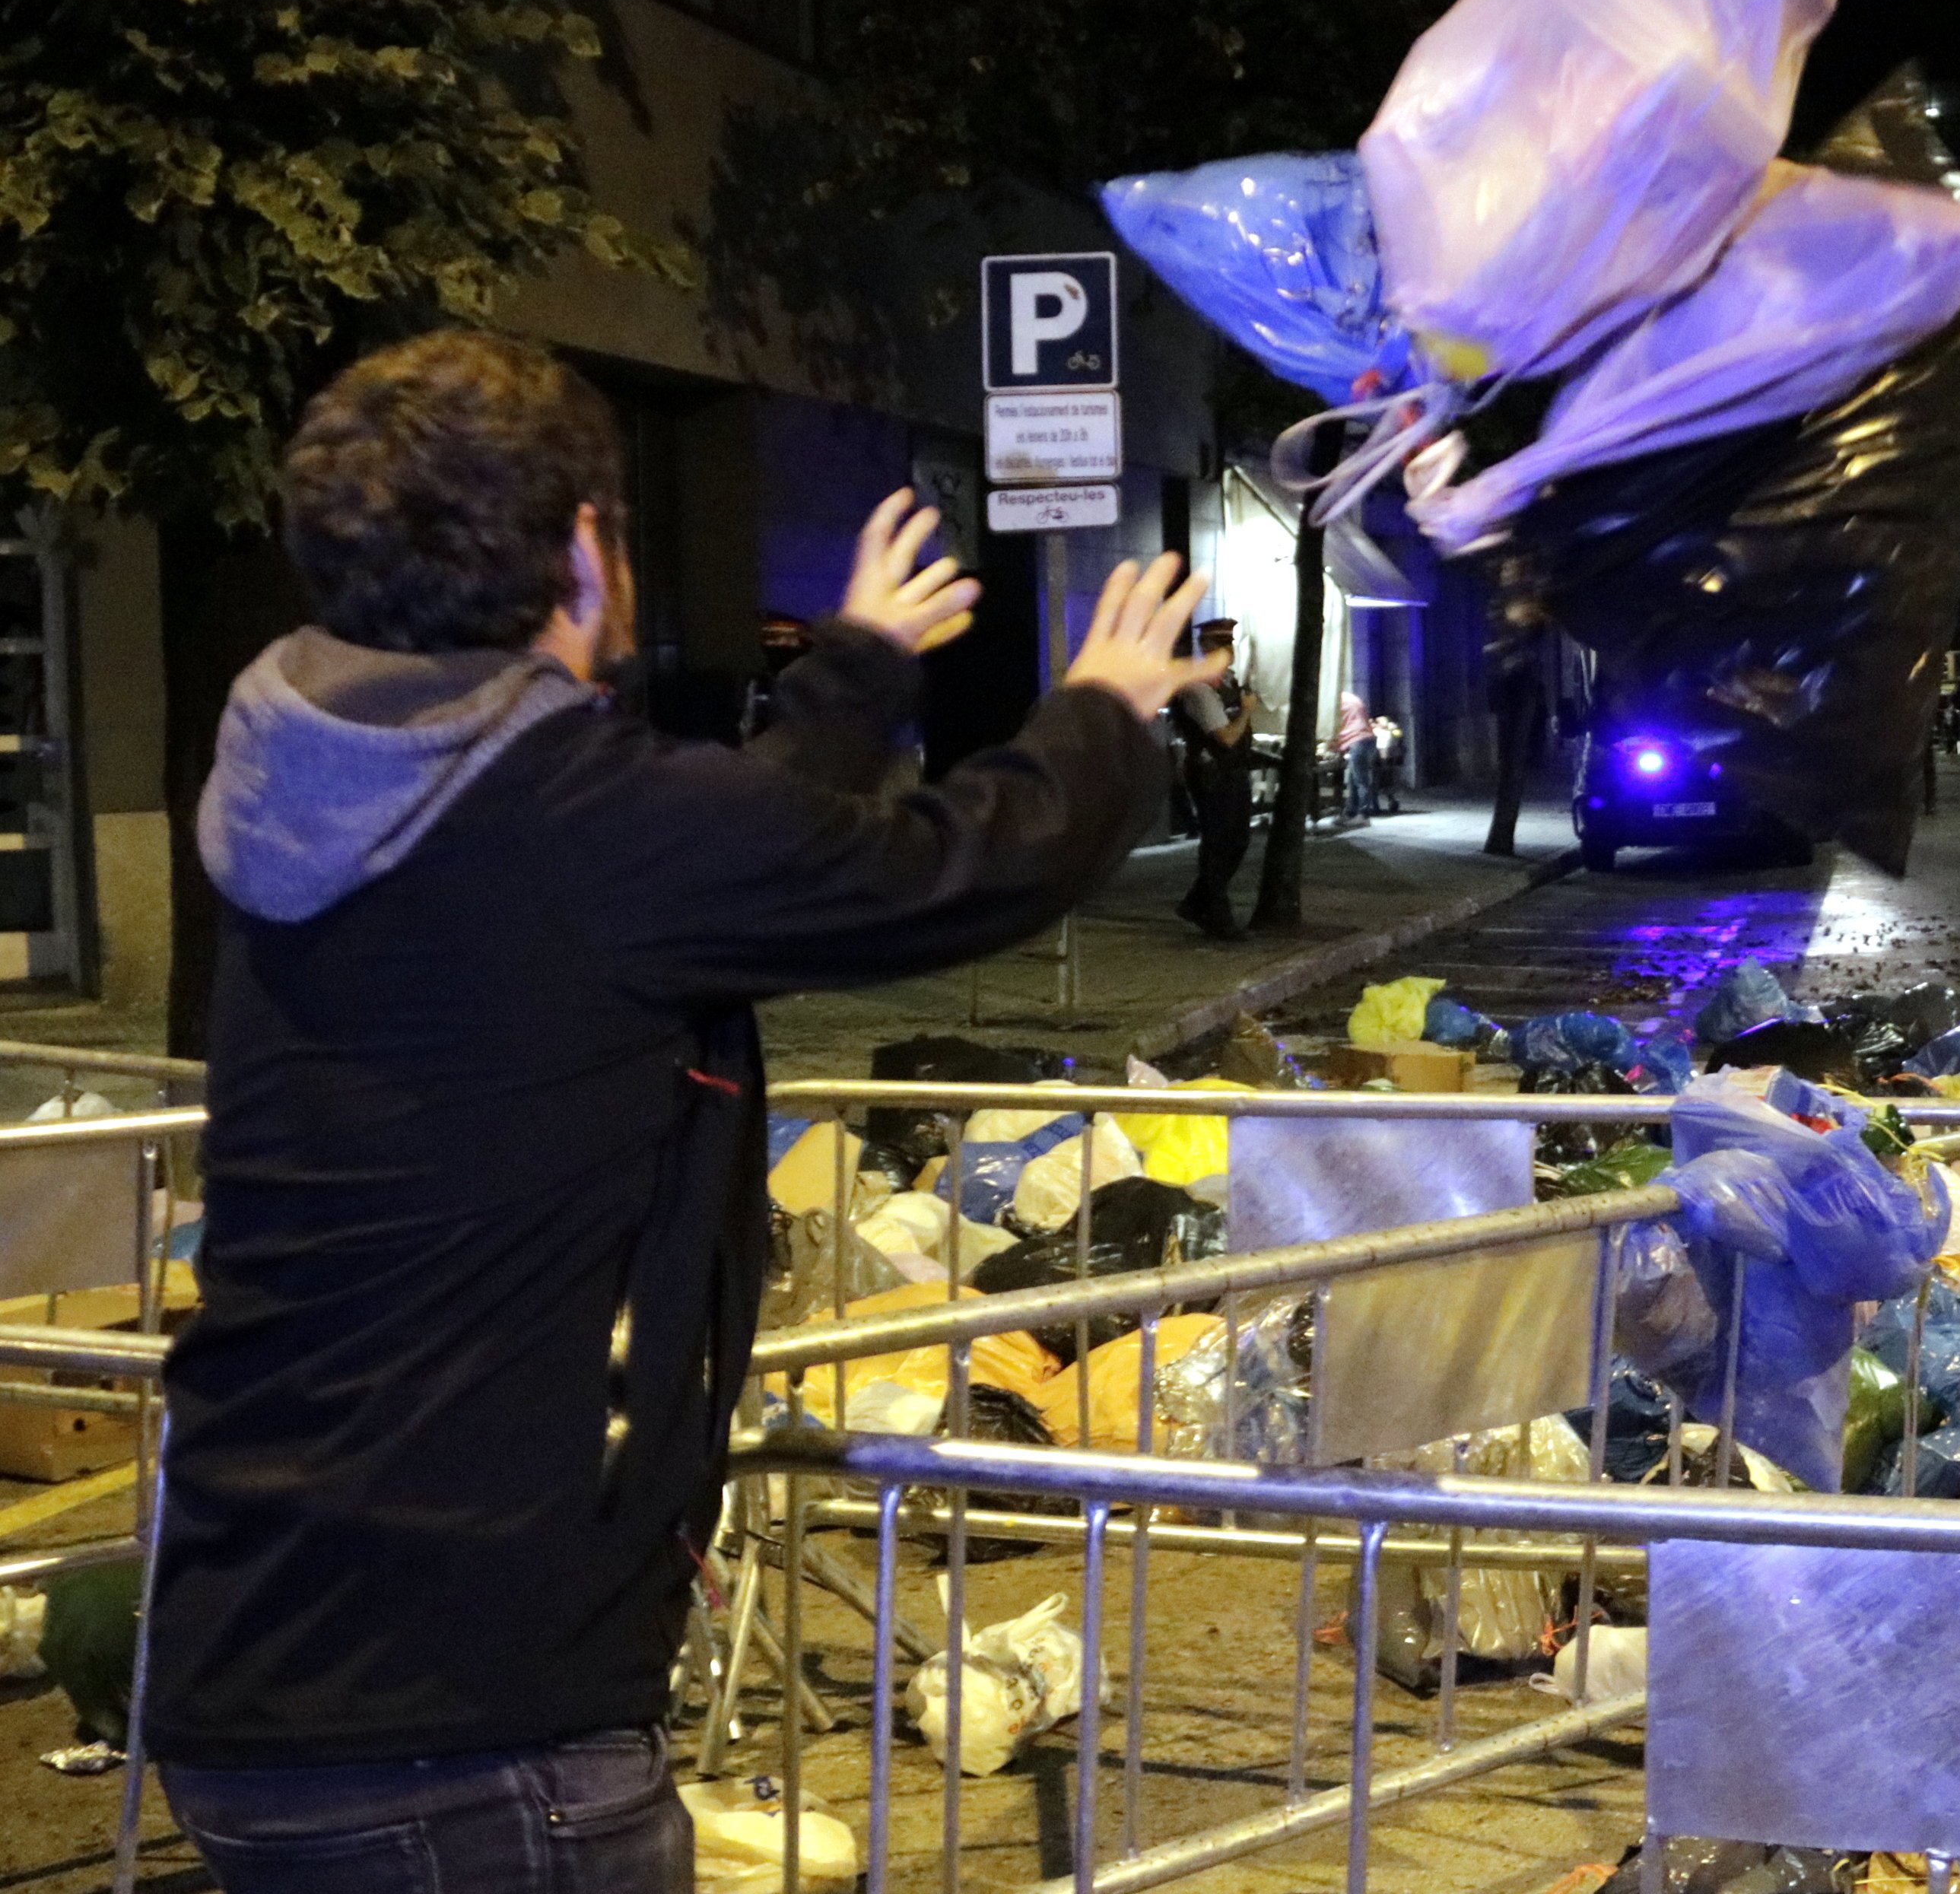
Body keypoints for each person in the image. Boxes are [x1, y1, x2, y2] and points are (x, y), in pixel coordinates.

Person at [148, 329, 1218, 1892]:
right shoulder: (583, 820)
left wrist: (858, 665)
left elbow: (711, 850)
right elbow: (949, 863)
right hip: (472, 1718)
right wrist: (1107, 713)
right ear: (586, 549)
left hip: (258, 1657)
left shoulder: (326, 786)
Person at [1170, 620, 1258, 934]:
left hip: (1232, 771)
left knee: (1238, 841)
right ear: (1205, 649)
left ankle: (1196, 903)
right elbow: (1226, 737)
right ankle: (1217, 916)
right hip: (1212, 775)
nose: (1227, 651)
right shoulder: (1199, 689)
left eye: (1229, 644)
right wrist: (1247, 711)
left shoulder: (1227, 683)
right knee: (1218, 846)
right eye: (1219, 646)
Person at [1333, 688, 1377, 829]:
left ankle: (1363, 815)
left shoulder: (1335, 701)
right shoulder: (1350, 697)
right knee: (1353, 780)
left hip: (1358, 740)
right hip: (1366, 738)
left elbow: (1334, 726)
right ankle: (1351, 813)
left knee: (1361, 780)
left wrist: (1334, 745)